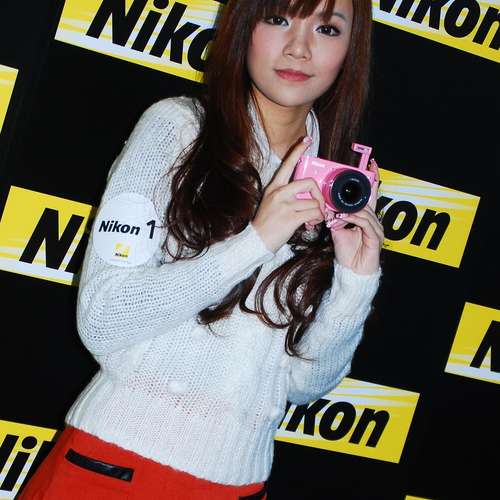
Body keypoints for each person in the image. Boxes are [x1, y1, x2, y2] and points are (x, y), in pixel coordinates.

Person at [19, 0, 383, 498]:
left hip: (240, 485)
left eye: (326, 29)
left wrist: (354, 285)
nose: (299, 48)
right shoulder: (177, 129)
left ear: (350, 49)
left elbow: (302, 385)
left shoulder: (338, 182)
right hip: (115, 469)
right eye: (278, 20)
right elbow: (102, 319)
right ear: (244, 26)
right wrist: (255, 241)